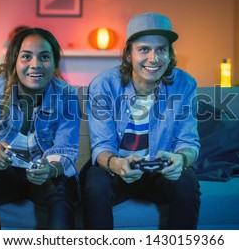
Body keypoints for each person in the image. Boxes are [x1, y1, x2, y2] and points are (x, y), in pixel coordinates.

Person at [82, 12, 201, 229]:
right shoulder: (104, 85)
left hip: (161, 171)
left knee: (187, 182)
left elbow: (188, 142)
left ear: (169, 54)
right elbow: (102, 146)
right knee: (95, 184)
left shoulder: (185, 84)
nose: (153, 58)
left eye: (161, 50)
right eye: (144, 49)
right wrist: (116, 164)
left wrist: (181, 160)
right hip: (118, 167)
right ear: (129, 54)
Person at [0, 27, 80, 229]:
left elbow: (66, 149)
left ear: (55, 63)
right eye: (26, 57)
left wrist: (50, 168)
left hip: (43, 177)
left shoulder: (67, 94)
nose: (35, 65)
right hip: (4, 176)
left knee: (63, 182)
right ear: (14, 60)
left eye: (45, 57)